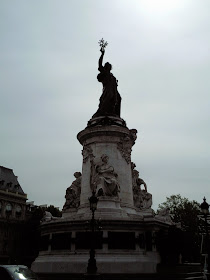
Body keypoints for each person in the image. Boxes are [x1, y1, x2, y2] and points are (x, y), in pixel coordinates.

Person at [92, 48, 121, 118]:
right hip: (108, 89)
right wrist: (102, 54)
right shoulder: (105, 73)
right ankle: (103, 111)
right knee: (108, 97)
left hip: (114, 89)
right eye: (107, 66)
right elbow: (99, 64)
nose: (109, 67)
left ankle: (114, 113)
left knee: (118, 98)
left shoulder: (111, 76)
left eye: (109, 66)